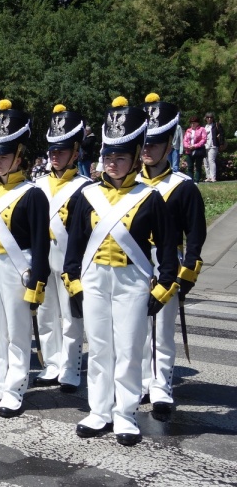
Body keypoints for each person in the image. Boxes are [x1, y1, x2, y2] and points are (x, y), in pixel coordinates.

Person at [63, 96, 179, 447]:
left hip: (133, 280)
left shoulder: (150, 198)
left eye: (120, 157)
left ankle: (125, 414)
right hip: (95, 278)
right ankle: (99, 410)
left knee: (129, 349)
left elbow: (168, 251)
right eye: (108, 157)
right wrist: (75, 284)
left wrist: (162, 291)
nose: (112, 164)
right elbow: (75, 248)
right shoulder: (88, 196)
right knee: (99, 348)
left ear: (133, 159)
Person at [0, 99, 50, 418]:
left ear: (19, 156)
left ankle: (15, 388)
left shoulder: (33, 194)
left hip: (19, 269)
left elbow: (41, 245)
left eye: (3, 154)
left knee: (16, 332)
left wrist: (36, 287)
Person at [139, 93, 206, 420]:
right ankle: (138, 381)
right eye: (144, 144)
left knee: (162, 329)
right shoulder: (130, 184)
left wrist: (187, 271)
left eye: (155, 144)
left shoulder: (183, 186)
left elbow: (195, 234)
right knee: (133, 327)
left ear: (169, 147)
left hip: (166, 263)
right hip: (132, 264)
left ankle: (161, 386)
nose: (147, 150)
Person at [33, 104, 91, 392]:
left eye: (62, 150)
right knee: (46, 313)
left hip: (70, 262)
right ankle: (52, 362)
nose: (55, 156)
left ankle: (70, 367)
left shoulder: (85, 187)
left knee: (71, 317)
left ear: (75, 152)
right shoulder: (38, 184)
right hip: (43, 259)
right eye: (52, 151)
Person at [183, 116, 207, 183]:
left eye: (194, 123)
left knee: (198, 166)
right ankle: (190, 181)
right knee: (190, 167)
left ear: (197, 123)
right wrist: (188, 146)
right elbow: (185, 140)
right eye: (191, 123)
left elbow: (203, 139)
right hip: (189, 150)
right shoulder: (188, 130)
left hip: (198, 150)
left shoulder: (202, 129)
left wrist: (195, 146)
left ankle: (196, 181)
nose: (192, 124)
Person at [204, 112, 224, 182]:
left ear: (213, 118)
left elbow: (222, 134)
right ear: (205, 118)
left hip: (213, 145)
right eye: (208, 117)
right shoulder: (205, 127)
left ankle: (213, 177)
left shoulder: (216, 125)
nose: (209, 119)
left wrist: (221, 144)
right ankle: (208, 176)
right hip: (205, 146)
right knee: (206, 162)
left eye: (211, 117)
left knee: (211, 160)